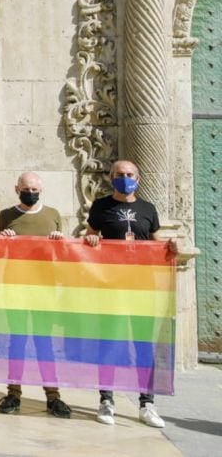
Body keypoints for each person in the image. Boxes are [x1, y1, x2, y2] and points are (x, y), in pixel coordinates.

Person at [84, 159, 176, 429]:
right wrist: (91, 240)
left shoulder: (148, 208)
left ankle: (147, 403)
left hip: (142, 289)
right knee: (109, 344)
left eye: (129, 174)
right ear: (111, 178)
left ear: (139, 178)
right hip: (110, 287)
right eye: (119, 174)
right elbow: (91, 234)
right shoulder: (101, 206)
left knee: (144, 346)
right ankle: (106, 400)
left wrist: (172, 245)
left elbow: (157, 243)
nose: (125, 178)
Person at [0, 172, 72, 419]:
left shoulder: (53, 215)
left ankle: (53, 396)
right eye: (27, 188)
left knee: (44, 343)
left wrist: (60, 242)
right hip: (15, 287)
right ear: (17, 188)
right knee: (17, 341)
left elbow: (64, 255)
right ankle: (13, 393)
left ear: (42, 190)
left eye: (36, 189)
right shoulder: (6, 215)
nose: (31, 192)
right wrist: (4, 240)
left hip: (44, 289)